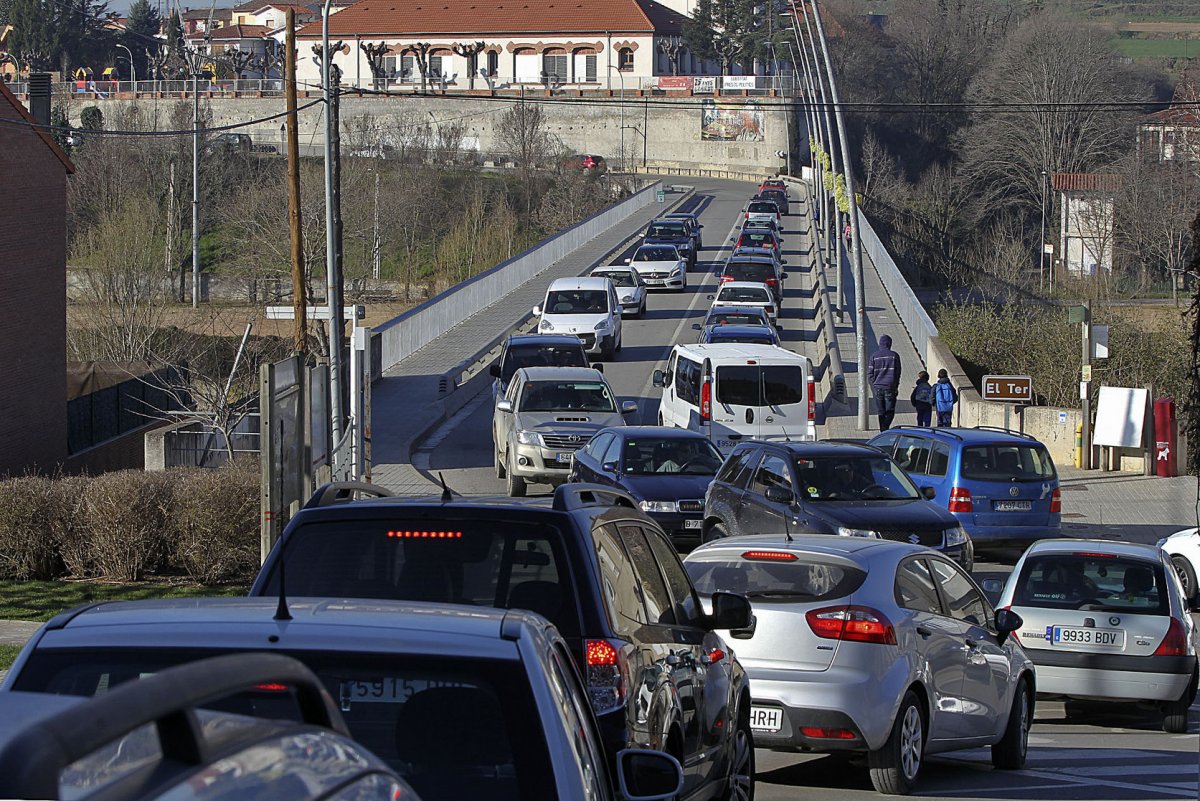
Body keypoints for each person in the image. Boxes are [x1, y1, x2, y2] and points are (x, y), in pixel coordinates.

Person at [867, 334, 902, 431]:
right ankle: (885, 427)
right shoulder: (894, 356)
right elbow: (898, 372)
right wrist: (895, 385)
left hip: (878, 387)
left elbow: (870, 373)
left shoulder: (874, 356)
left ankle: (882, 430)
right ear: (889, 344)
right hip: (890, 386)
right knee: (890, 410)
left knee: (881, 410)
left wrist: (874, 382)